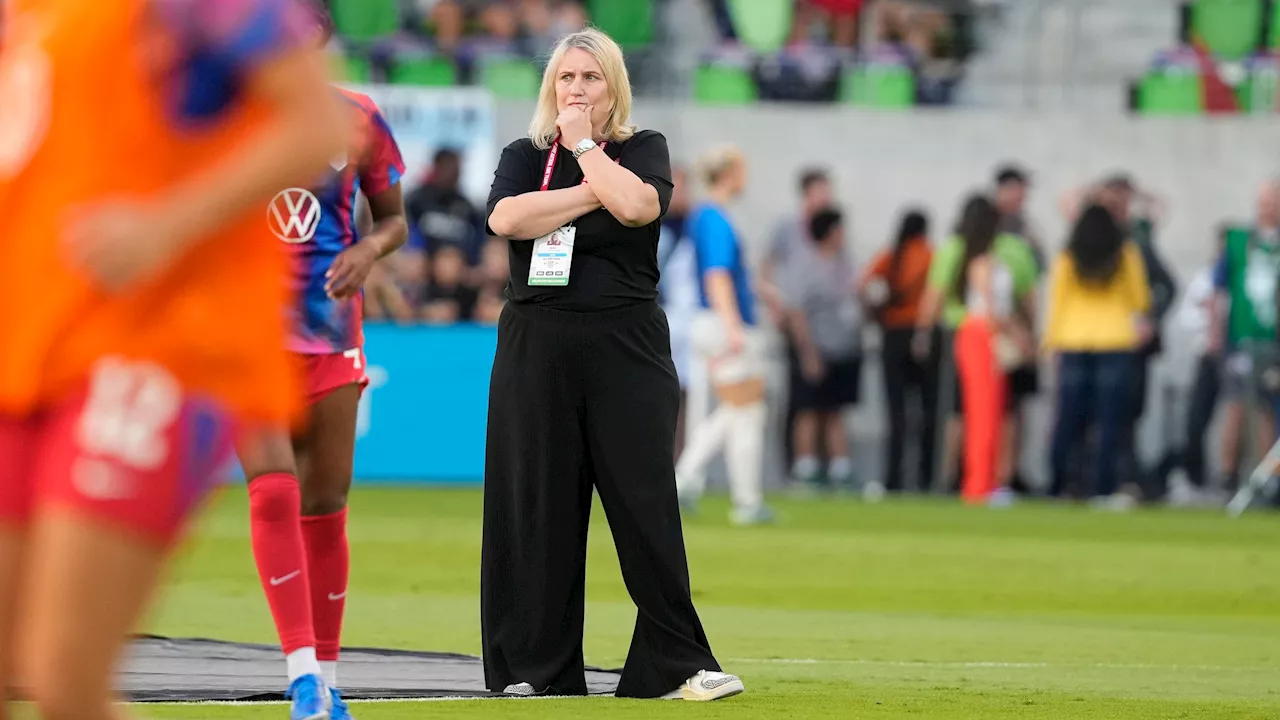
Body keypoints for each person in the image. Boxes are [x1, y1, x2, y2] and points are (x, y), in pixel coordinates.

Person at [0, 1, 343, 719]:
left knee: (65, 675)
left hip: (158, 348)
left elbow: (318, 125)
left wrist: (165, 225)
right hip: (30, 348)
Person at [481, 28, 743, 701]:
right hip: (535, 343)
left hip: (626, 345)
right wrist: (587, 189)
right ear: (551, 87)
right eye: (566, 78)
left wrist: (586, 151)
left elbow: (637, 204)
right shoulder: (522, 154)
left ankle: (679, 665)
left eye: (590, 79)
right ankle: (536, 671)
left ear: (612, 87)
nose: (575, 90)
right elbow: (508, 219)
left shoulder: (641, 149)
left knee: (645, 504)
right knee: (537, 507)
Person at [235, 7, 410, 717]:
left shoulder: (357, 118)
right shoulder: (224, 112)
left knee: (325, 503)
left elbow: (394, 217)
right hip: (246, 337)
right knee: (273, 491)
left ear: (319, 34)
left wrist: (368, 250)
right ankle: (302, 677)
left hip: (331, 331)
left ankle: (330, 683)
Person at [914, 199, 1038, 501]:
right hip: (983, 334)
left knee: (986, 412)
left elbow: (935, 297)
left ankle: (983, 479)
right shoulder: (990, 260)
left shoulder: (969, 254)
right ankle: (981, 480)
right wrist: (1021, 334)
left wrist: (923, 332)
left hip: (977, 333)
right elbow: (1000, 308)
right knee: (983, 413)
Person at [675, 145, 773, 526]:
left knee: (743, 411)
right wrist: (733, 326)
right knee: (741, 409)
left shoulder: (708, 216)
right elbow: (716, 276)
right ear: (730, 173)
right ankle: (689, 481)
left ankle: (743, 497)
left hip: (716, 322)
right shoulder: (714, 218)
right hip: (723, 324)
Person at [1045, 205, 1152, 506]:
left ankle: (1060, 485)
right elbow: (1140, 299)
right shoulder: (1125, 253)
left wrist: (1051, 343)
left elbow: (1058, 301)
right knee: (1108, 422)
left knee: (1067, 419)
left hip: (1073, 338)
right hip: (1115, 339)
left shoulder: (1069, 255)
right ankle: (1102, 488)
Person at [781, 208, 863, 493]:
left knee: (836, 410)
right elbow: (797, 312)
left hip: (845, 349)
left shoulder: (845, 263)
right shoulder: (807, 266)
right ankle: (805, 467)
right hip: (818, 347)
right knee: (809, 409)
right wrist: (808, 352)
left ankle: (841, 468)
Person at [1209, 180, 1280, 493]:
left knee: (1267, 409)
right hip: (1241, 339)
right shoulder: (1239, 241)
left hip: (1273, 340)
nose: (1268, 206)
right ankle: (1228, 476)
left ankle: (1265, 480)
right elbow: (1217, 291)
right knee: (1236, 406)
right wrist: (1215, 335)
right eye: (1264, 200)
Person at [860, 210, 937, 494]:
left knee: (896, 413)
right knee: (927, 412)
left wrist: (875, 313)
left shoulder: (889, 257)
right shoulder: (929, 256)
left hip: (892, 335)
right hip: (923, 336)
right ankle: (925, 477)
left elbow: (864, 286)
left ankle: (893, 477)